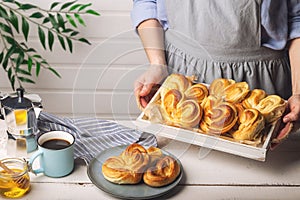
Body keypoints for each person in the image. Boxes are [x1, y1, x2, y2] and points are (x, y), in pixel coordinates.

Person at [131, 0, 300, 141]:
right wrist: (157, 63)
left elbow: (297, 19)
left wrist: (298, 92)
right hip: (182, 77)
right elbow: (147, 2)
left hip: (260, 86)